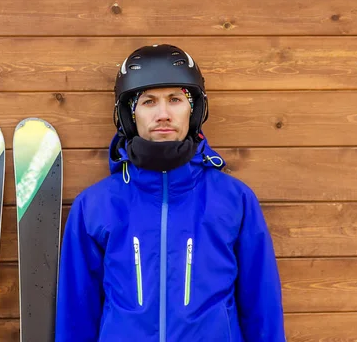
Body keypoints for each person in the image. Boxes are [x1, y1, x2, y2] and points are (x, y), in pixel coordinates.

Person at [55, 44, 286, 341]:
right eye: (149, 101)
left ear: (194, 109)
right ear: (130, 114)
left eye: (175, 99)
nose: (163, 114)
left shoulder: (235, 200)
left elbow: (262, 308)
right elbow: (77, 315)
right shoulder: (95, 205)